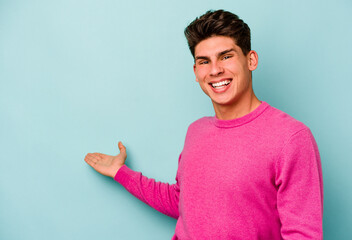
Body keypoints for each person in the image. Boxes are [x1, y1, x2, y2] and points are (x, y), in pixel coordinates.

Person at [84, 9, 323, 239]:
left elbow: (303, 235)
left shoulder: (291, 138)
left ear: (251, 60)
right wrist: (120, 173)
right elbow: (184, 203)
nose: (215, 70)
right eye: (204, 61)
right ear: (196, 71)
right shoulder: (196, 131)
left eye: (226, 56)